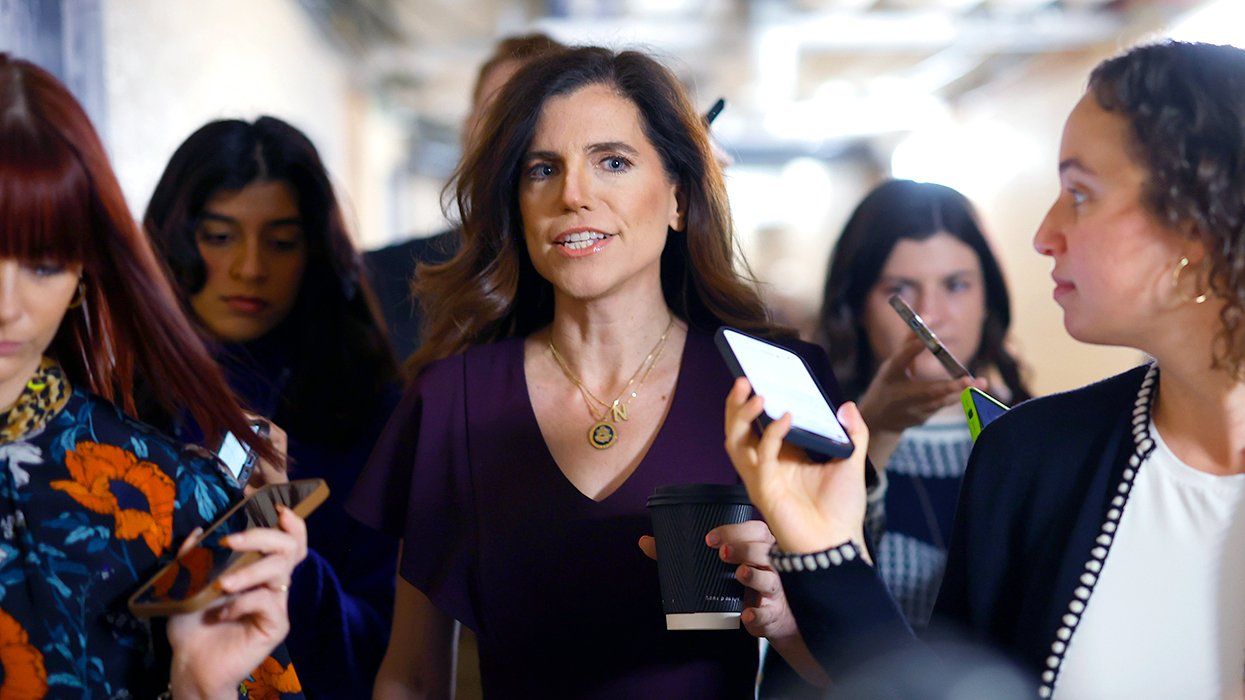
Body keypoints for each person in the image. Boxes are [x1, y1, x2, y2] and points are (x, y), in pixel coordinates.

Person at [725, 40, 1245, 699]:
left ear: (1197, 223)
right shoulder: (1028, 455)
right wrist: (824, 549)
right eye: (903, 290)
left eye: (1079, 193)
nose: (1043, 233)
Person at [347, 46, 846, 697]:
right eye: (541, 169)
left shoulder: (774, 386)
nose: (572, 194)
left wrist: (781, 620)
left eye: (612, 161)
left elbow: (858, 664)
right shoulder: (454, 399)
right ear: (516, 206)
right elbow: (411, 677)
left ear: (677, 197)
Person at [0, 53, 306, 699]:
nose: (6, 305)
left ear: (86, 272)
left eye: (45, 264)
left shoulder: (174, 501)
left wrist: (200, 685)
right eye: (219, 236)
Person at [143, 117, 401, 698]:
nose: (251, 268)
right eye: (219, 235)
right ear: (172, 238)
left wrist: (292, 563)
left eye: (282, 242)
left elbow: (387, 651)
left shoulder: (367, 404)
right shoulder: (109, 384)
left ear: (315, 252)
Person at [817, 179, 1030, 627]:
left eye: (956, 285)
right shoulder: (810, 436)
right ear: (855, 306)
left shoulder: (1032, 433)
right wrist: (875, 432)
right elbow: (818, 598)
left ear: (987, 299)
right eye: (901, 291)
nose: (930, 316)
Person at [365, 32, 566, 360]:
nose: (512, 139)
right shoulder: (380, 281)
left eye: (533, 118)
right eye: (497, 116)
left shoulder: (600, 290)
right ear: (467, 131)